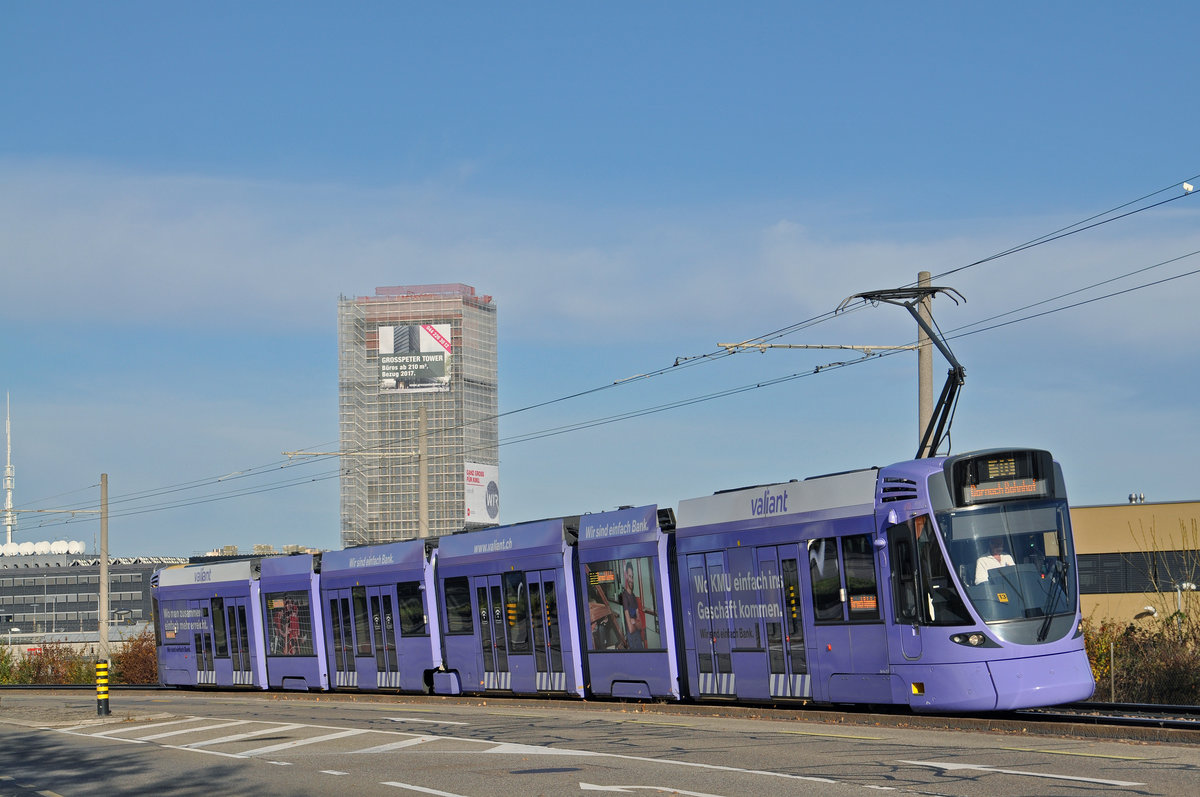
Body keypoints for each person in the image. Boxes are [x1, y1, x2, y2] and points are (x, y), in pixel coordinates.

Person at [619, 561, 645, 650]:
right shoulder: (624, 596)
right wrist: (635, 622)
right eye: (629, 576)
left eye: (632, 577)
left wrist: (633, 621)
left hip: (638, 635)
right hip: (631, 637)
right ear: (626, 576)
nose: (631, 580)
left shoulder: (633, 596)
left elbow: (640, 625)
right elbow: (630, 628)